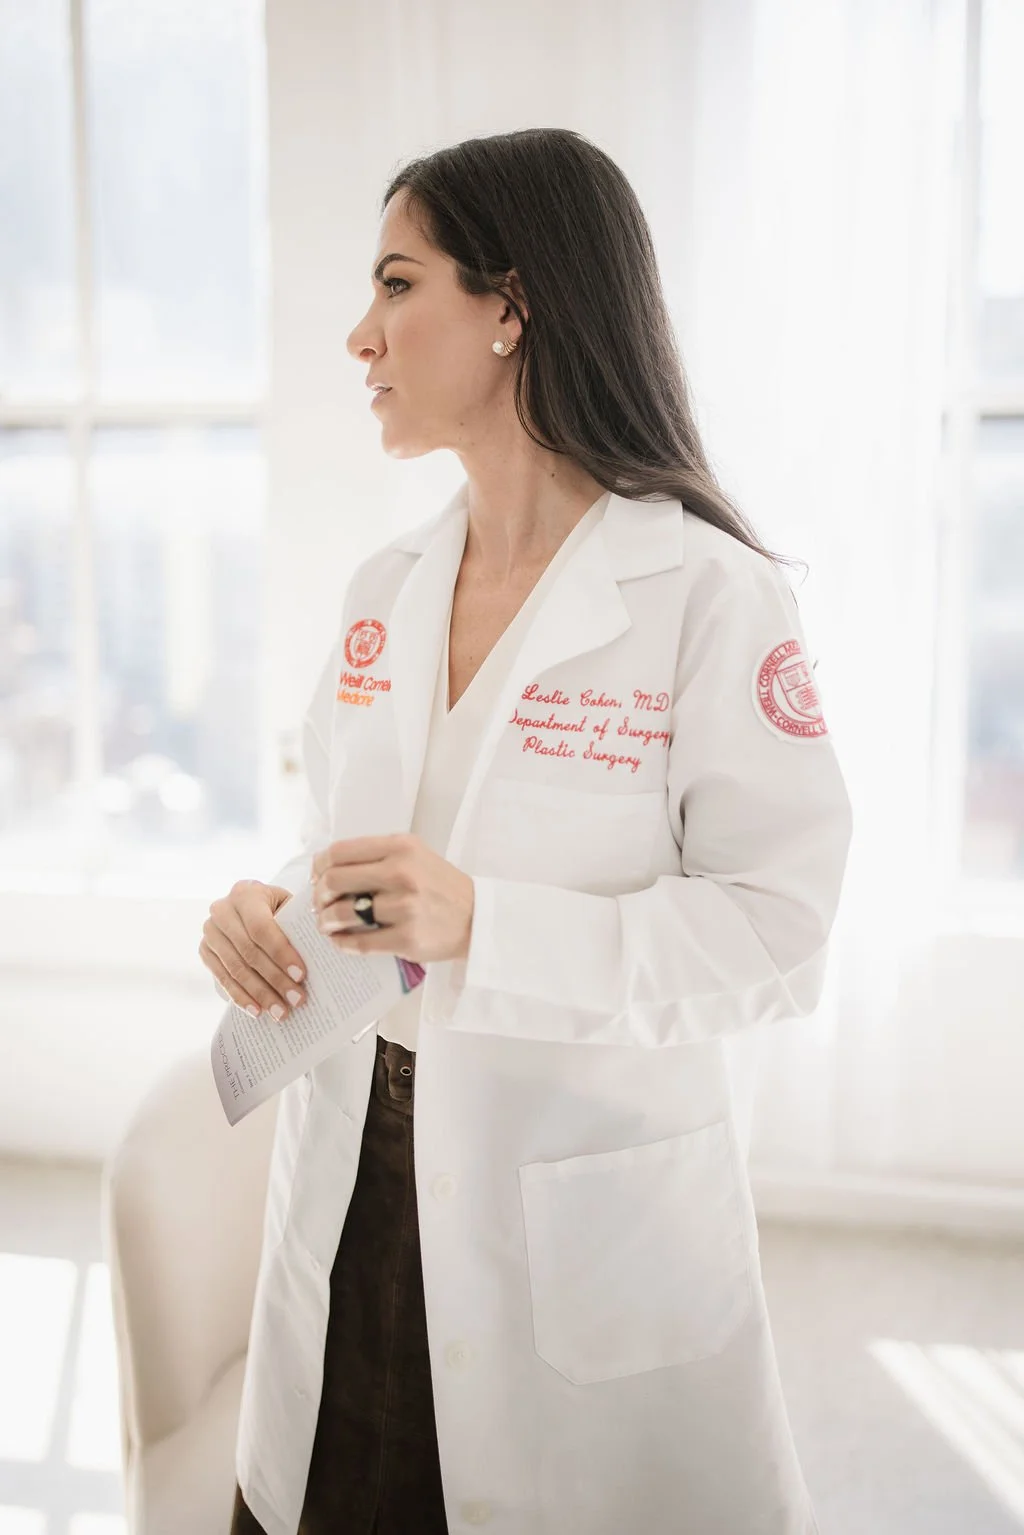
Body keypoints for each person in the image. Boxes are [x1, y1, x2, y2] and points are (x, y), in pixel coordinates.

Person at [202, 127, 852, 1535]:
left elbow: (782, 934)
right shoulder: (385, 589)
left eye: (397, 284)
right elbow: (343, 852)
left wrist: (487, 927)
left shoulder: (709, 596)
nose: (360, 335)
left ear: (512, 306)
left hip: (574, 1216)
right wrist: (268, 912)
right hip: (354, 1181)